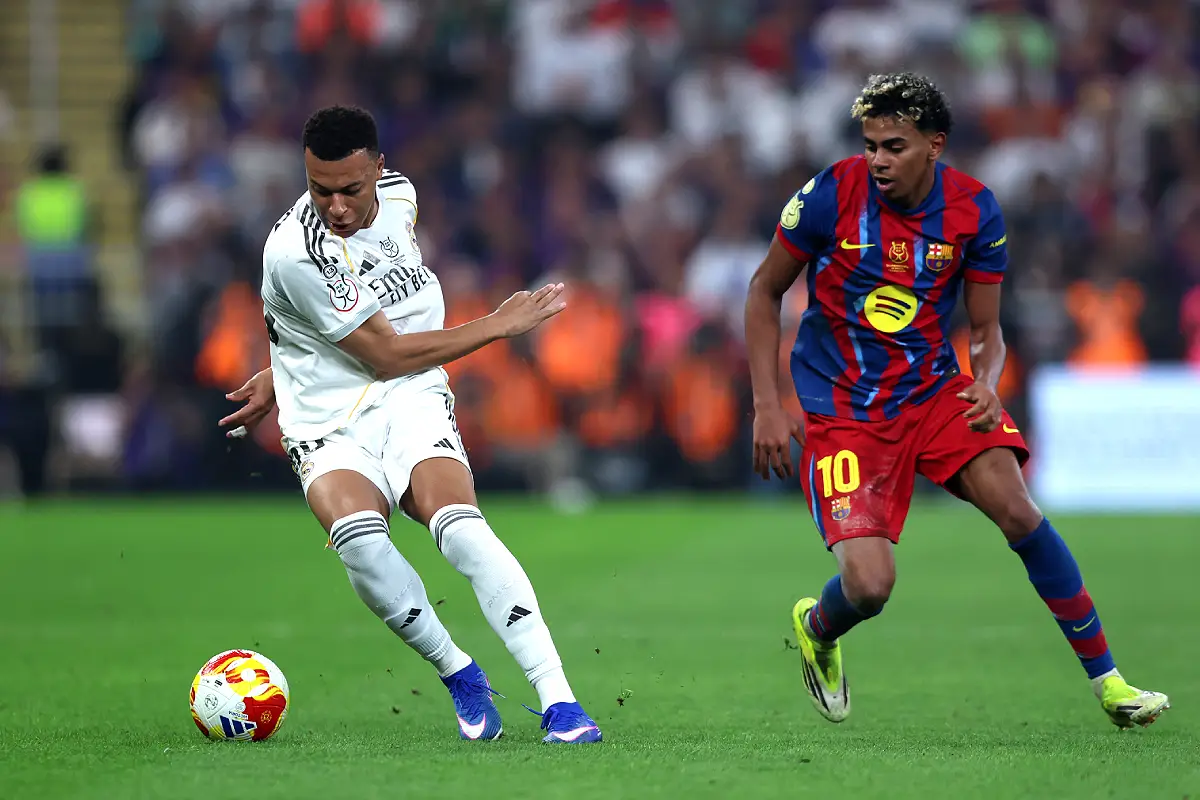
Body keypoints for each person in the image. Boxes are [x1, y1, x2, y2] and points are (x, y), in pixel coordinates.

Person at [744, 73, 1168, 729]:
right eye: (871, 145)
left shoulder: (974, 210)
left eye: (894, 146)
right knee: (871, 587)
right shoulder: (831, 194)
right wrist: (768, 405)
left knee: (1019, 512)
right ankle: (819, 626)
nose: (879, 160)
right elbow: (763, 290)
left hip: (935, 391)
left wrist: (987, 380)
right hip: (845, 408)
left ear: (934, 145)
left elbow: (988, 330)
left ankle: (1110, 682)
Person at [219, 105, 602, 744]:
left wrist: (281, 361)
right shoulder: (294, 252)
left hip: (410, 395)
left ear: (380, 171)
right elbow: (381, 348)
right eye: (319, 189)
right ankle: (460, 672)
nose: (335, 206)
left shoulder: (402, 198)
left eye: (350, 189)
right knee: (361, 542)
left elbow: (385, 350)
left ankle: (560, 700)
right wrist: (498, 325)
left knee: (461, 531)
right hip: (326, 418)